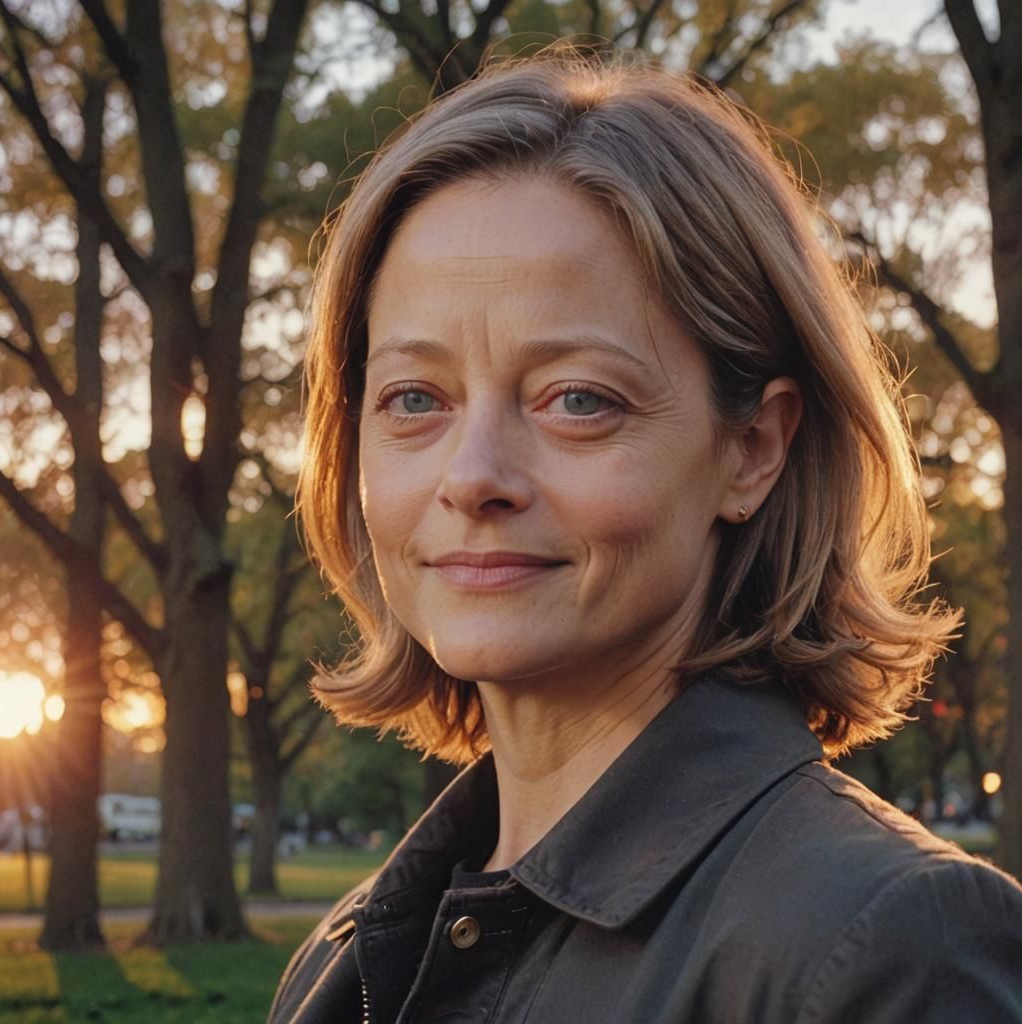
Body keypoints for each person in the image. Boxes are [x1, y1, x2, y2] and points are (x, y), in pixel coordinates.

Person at [269, 45, 1022, 1024]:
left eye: (577, 399)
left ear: (750, 448)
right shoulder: (345, 953)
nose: (472, 477)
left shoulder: (889, 946)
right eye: (415, 398)